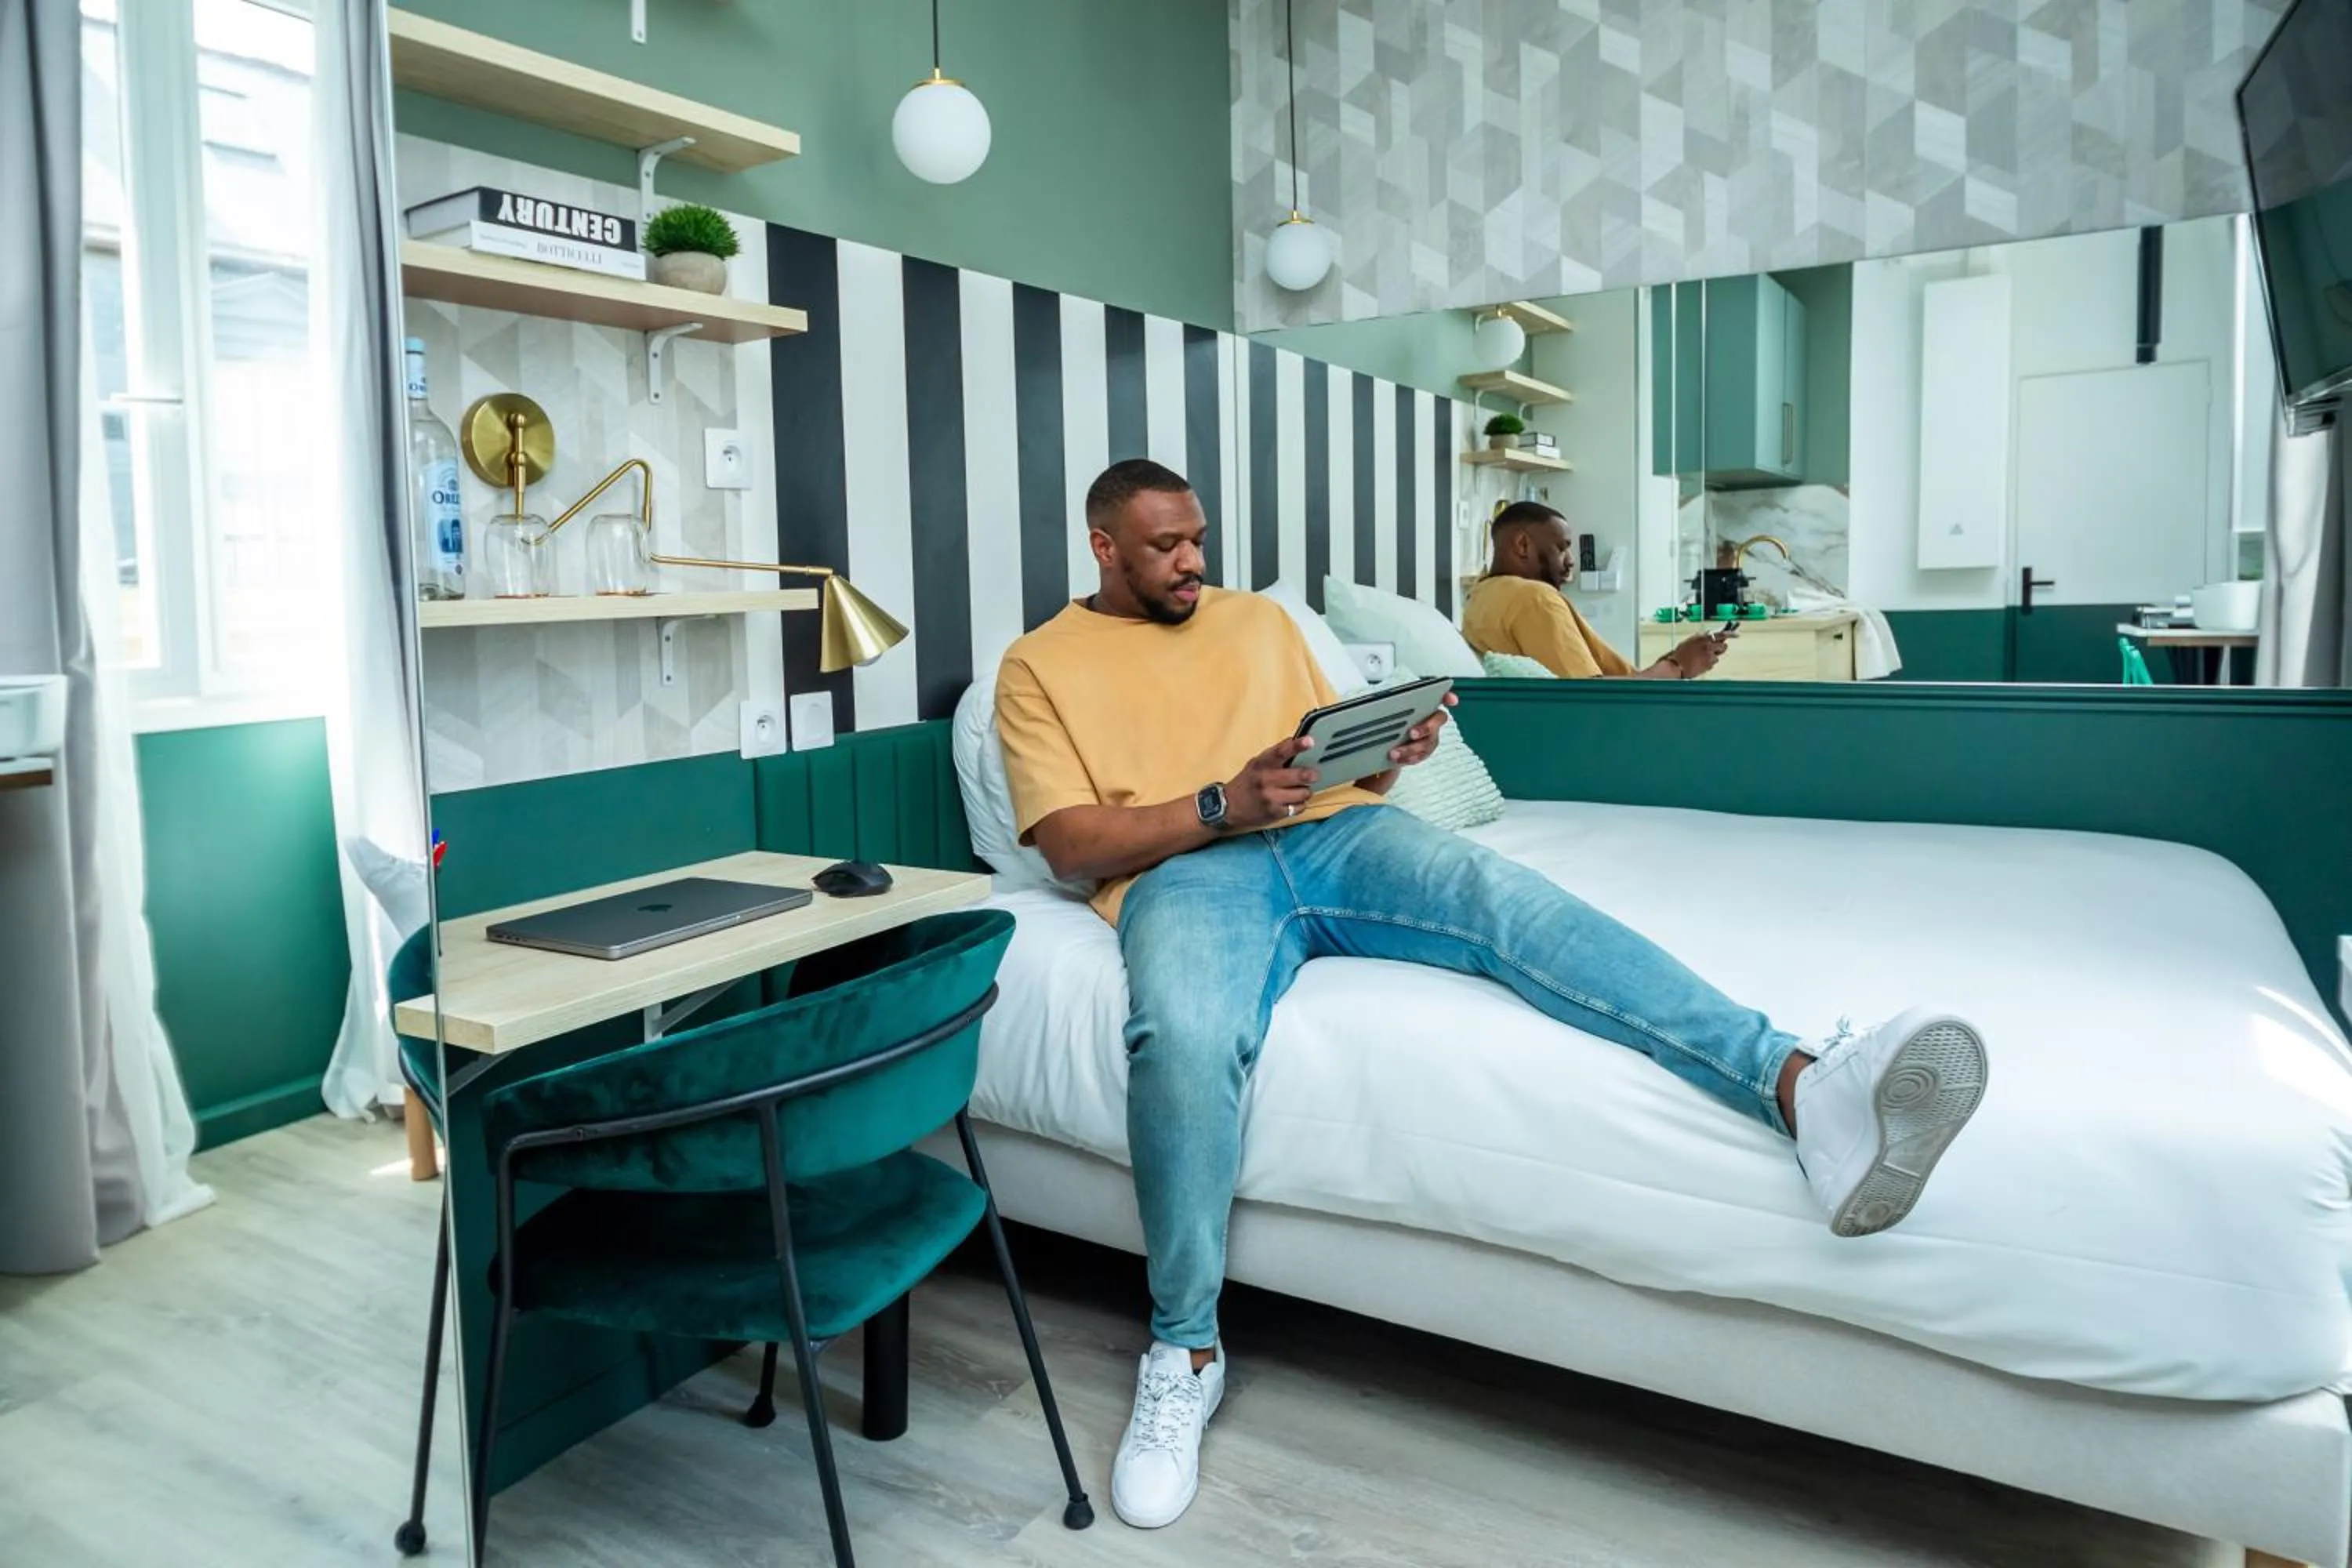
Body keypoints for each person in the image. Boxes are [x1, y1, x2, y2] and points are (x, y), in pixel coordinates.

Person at [992, 459, 1990, 1533]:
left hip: (1337, 836)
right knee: (1180, 1035)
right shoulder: (1038, 666)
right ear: (1104, 547)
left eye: (1197, 538)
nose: (1193, 562)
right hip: (1187, 873)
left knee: (1515, 905)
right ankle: (1185, 1349)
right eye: (1165, 548)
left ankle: (1803, 1088)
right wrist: (1218, 803)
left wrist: (1391, 752)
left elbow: (1336, 770)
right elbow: (1064, 847)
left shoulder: (1256, 625)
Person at [1463, 499, 1730, 679]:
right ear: (1522, 545)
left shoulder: (1480, 597)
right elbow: (1591, 697)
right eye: (1561, 547)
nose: (1571, 561)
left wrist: (1678, 657)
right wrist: (1677, 667)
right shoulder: (1534, 598)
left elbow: (1613, 683)